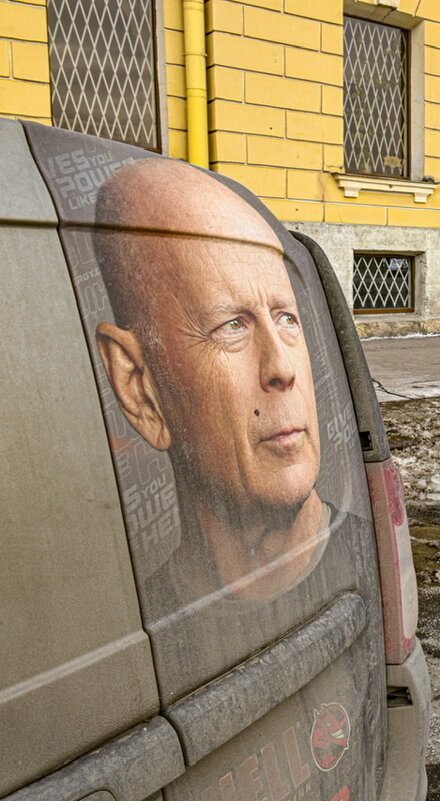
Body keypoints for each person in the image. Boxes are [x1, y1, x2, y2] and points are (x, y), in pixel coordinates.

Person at [92, 157, 326, 603]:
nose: (283, 368)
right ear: (138, 388)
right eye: (232, 326)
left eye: (287, 318)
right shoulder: (131, 623)